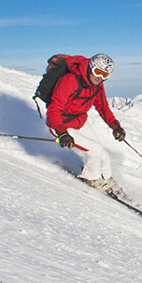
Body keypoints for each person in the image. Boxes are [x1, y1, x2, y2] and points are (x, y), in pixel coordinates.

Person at [46, 53, 126, 193]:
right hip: (61, 124)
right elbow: (54, 109)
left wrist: (115, 126)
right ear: (90, 68)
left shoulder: (97, 86)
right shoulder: (70, 81)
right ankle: (92, 179)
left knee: (102, 153)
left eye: (105, 75)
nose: (99, 77)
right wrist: (62, 132)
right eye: (98, 72)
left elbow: (103, 108)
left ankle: (107, 178)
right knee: (94, 150)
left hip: (79, 121)